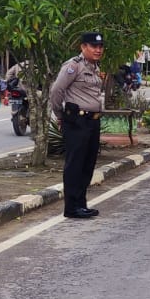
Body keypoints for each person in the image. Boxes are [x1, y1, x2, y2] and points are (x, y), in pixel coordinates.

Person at [49, 32, 107, 219]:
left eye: (100, 46)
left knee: (87, 164)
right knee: (75, 165)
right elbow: (57, 90)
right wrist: (60, 115)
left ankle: (81, 204)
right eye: (93, 46)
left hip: (93, 121)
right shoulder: (73, 66)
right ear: (83, 47)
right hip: (77, 121)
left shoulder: (95, 68)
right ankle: (71, 208)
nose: (98, 50)